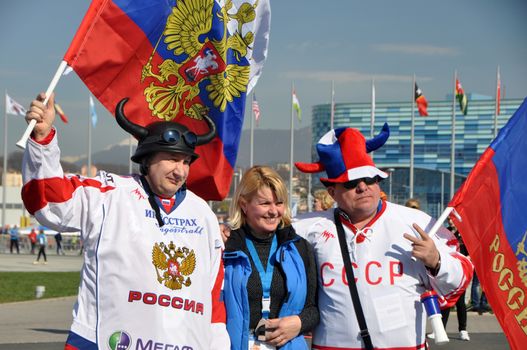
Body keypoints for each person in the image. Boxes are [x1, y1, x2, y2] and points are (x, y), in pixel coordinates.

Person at [22, 93, 229, 349]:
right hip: (104, 341)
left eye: (186, 161)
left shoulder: (203, 214)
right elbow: (48, 201)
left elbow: (214, 298)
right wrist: (43, 140)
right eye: (172, 159)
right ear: (146, 158)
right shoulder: (109, 194)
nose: (181, 171)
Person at [292, 125, 473, 349]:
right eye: (351, 183)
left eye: (369, 179)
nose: (362, 187)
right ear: (332, 192)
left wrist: (437, 261)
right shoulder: (307, 227)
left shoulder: (416, 221)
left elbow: (462, 276)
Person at [223, 165, 319, 349]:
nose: (274, 211)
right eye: (265, 203)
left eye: (279, 203)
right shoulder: (226, 247)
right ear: (244, 204)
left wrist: (299, 323)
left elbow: (314, 308)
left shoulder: (300, 248)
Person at [435, 218, 470, 341]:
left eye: (452, 219)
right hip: (448, 269)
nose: (450, 221)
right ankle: (441, 330)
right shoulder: (446, 232)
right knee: (445, 300)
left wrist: (468, 260)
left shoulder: (465, 233)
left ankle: (463, 330)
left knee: (460, 302)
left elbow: (471, 251)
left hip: (461, 271)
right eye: (449, 219)